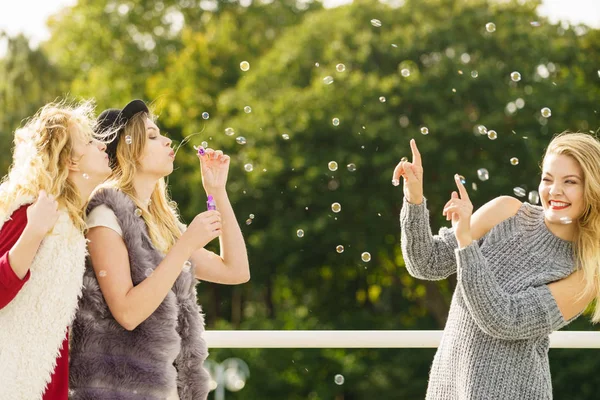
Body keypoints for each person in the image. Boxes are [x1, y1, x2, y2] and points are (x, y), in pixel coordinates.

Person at [394, 133, 599, 399]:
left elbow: (505, 319)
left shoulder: (586, 273)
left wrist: (466, 244)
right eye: (547, 179)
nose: (554, 190)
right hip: (450, 388)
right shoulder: (506, 210)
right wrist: (414, 197)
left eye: (570, 182)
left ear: (592, 189)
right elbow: (426, 263)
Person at [69, 99, 250, 399]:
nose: (167, 141)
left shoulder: (160, 227)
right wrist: (186, 245)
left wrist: (217, 191)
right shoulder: (104, 217)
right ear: (128, 153)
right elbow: (127, 313)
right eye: (152, 136)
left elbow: (236, 271)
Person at [0, 101, 111, 399]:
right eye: (89, 141)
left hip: (46, 387)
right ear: (71, 161)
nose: (102, 145)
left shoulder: (71, 225)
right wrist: (34, 231)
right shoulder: (31, 212)